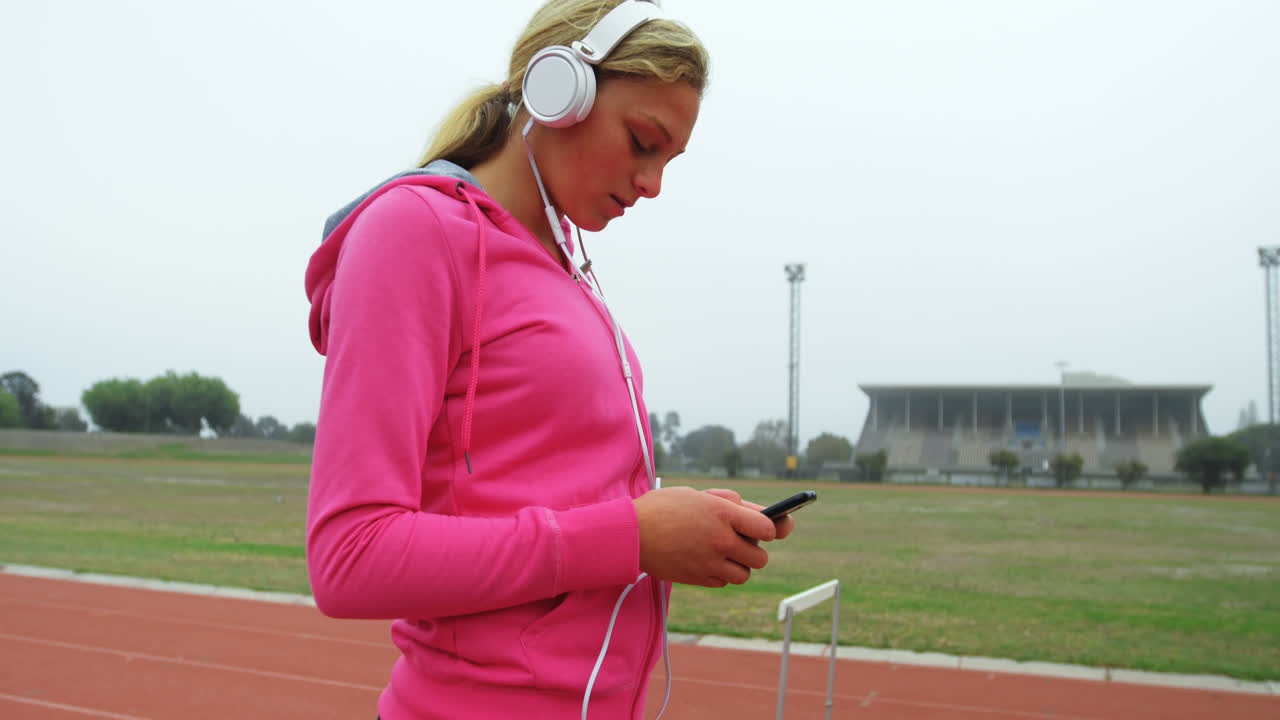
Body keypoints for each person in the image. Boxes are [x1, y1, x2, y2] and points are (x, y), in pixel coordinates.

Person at [303, 1, 795, 717]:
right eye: (641, 141)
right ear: (557, 90)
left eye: (669, 161)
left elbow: (547, 496)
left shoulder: (564, 268)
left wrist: (678, 524)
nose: (653, 183)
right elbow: (350, 558)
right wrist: (633, 536)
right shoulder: (414, 232)